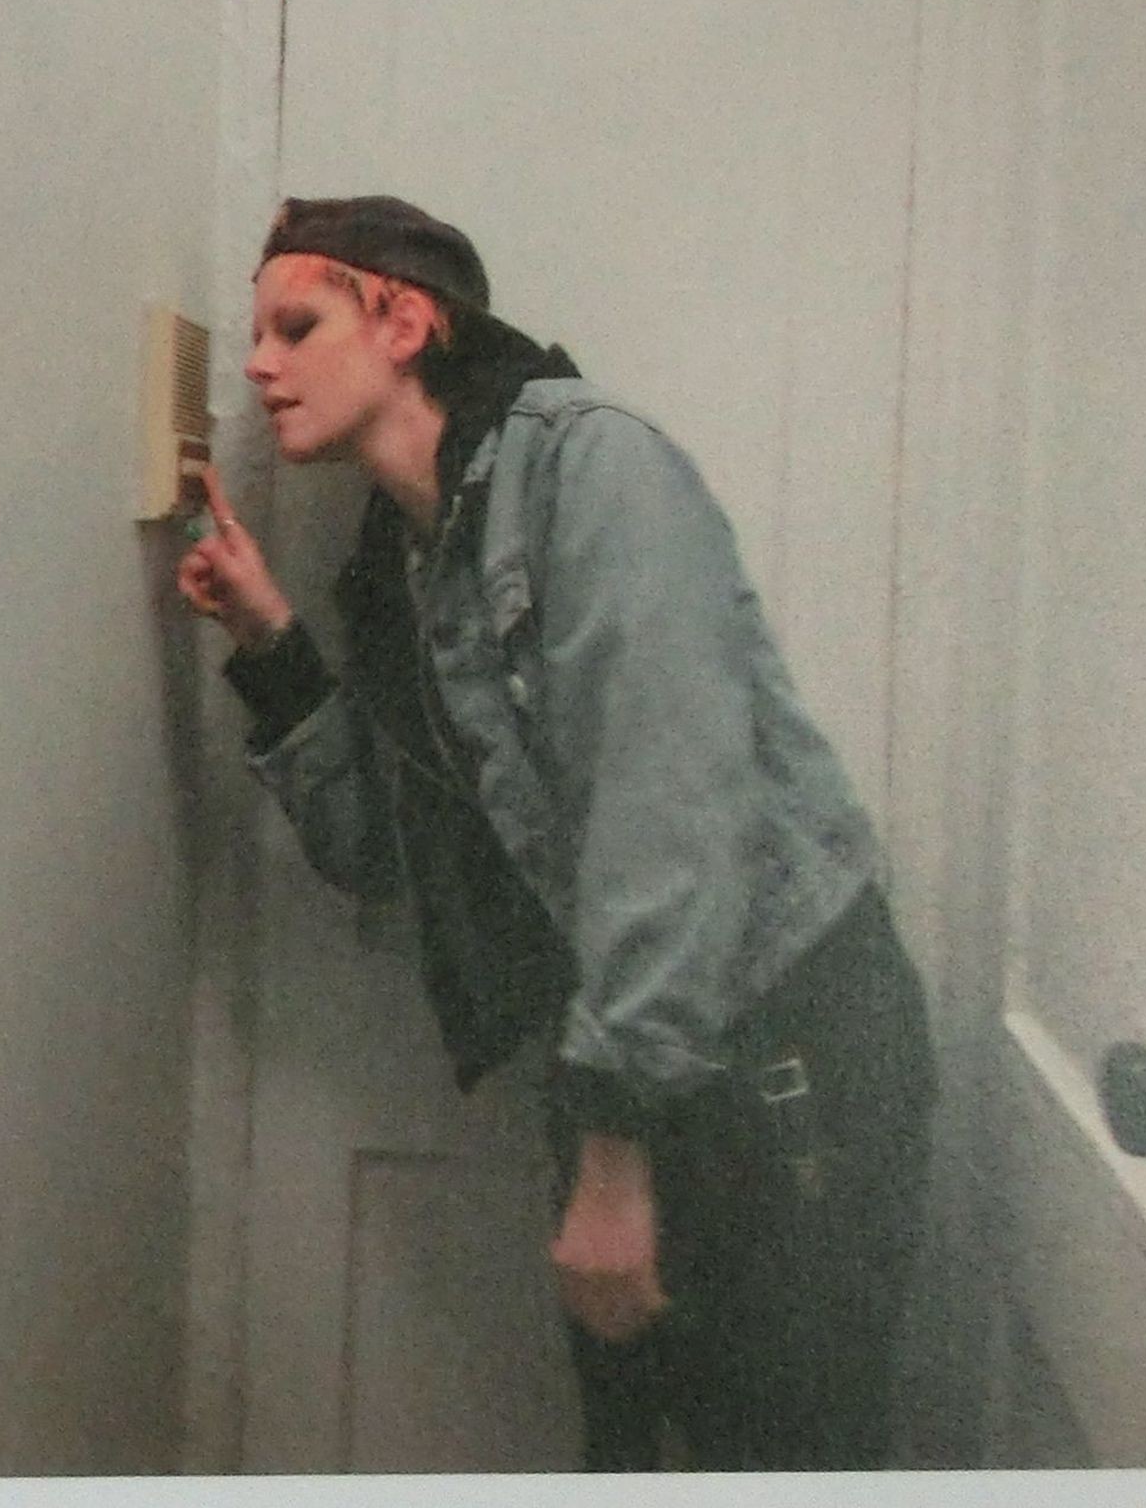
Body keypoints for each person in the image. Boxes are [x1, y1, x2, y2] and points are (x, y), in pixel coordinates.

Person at [177, 194, 937, 1472]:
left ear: (405, 323)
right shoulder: (403, 566)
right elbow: (385, 854)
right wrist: (269, 640)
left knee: (793, 1457)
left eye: (294, 328)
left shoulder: (592, 467)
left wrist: (615, 1150)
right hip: (632, 1070)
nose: (257, 367)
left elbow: (669, 810)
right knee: (634, 1458)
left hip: (787, 1053)